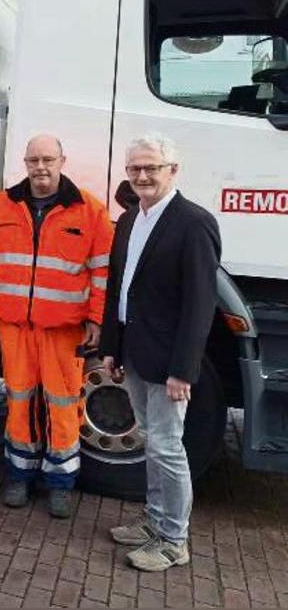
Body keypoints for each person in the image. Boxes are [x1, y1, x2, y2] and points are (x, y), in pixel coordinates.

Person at [0, 135, 114, 518]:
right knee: (19, 401)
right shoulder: (1, 206)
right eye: (34, 159)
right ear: (25, 163)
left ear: (62, 161)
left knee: (63, 404)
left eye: (48, 159)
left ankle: (60, 483)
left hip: (64, 330)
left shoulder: (89, 210)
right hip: (14, 326)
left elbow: (103, 271)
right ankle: (19, 475)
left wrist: (97, 318)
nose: (40, 167)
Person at [100, 135, 220, 572]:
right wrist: (111, 347)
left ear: (173, 170)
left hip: (169, 362)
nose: (142, 176)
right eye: (135, 168)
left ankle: (173, 540)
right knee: (152, 441)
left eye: (151, 167)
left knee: (167, 447)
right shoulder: (130, 219)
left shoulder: (194, 223)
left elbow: (200, 303)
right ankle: (153, 521)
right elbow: (118, 287)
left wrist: (183, 370)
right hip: (134, 351)